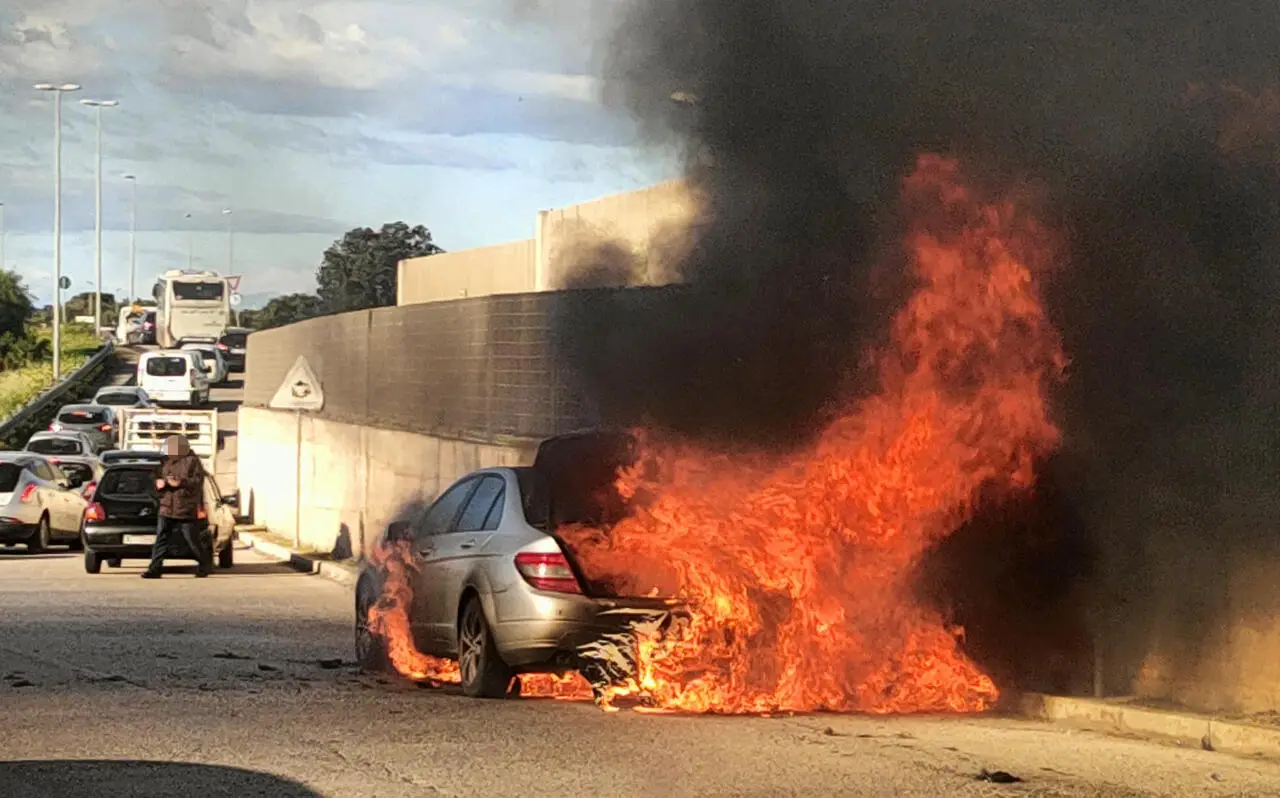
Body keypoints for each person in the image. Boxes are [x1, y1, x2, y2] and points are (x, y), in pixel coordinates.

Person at [142, 435, 210, 579]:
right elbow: (155, 477)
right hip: (166, 507)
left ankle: (204, 565)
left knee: (191, 538)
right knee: (161, 539)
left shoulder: (192, 461)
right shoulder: (165, 460)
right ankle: (154, 569)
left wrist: (180, 482)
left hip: (185, 508)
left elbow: (197, 481)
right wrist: (159, 483)